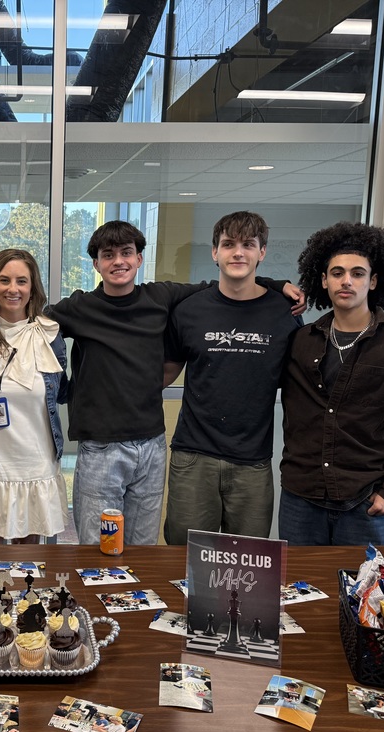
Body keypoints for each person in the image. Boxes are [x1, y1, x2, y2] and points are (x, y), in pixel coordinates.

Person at [46, 220, 303, 545]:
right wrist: (64, 389)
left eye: (127, 253)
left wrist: (275, 284)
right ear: (96, 264)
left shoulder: (162, 296)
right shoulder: (79, 307)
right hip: (100, 448)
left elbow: (227, 279)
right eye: (108, 255)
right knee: (98, 549)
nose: (118, 262)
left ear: (140, 258)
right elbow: (32, 326)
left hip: (151, 444)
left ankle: (132, 598)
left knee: (143, 550)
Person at [279, 222, 384, 546]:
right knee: (299, 593)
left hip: (365, 499)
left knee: (364, 596)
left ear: (373, 281)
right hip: (300, 497)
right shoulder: (300, 341)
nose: (346, 281)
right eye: (336, 272)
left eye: (358, 273)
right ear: (323, 280)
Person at [163, 212, 301, 542]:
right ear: (215, 252)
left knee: (248, 563)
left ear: (261, 252)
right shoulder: (189, 310)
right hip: (194, 458)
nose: (238, 253)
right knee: (184, 561)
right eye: (228, 244)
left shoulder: (284, 312)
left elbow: (298, 383)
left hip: (252, 463)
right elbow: (164, 373)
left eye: (248, 245)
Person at [0, 249, 68, 544]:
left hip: (35, 467)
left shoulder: (50, 335)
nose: (13, 289)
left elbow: (59, 393)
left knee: (26, 573)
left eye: (22, 281)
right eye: (4, 280)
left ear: (33, 288)